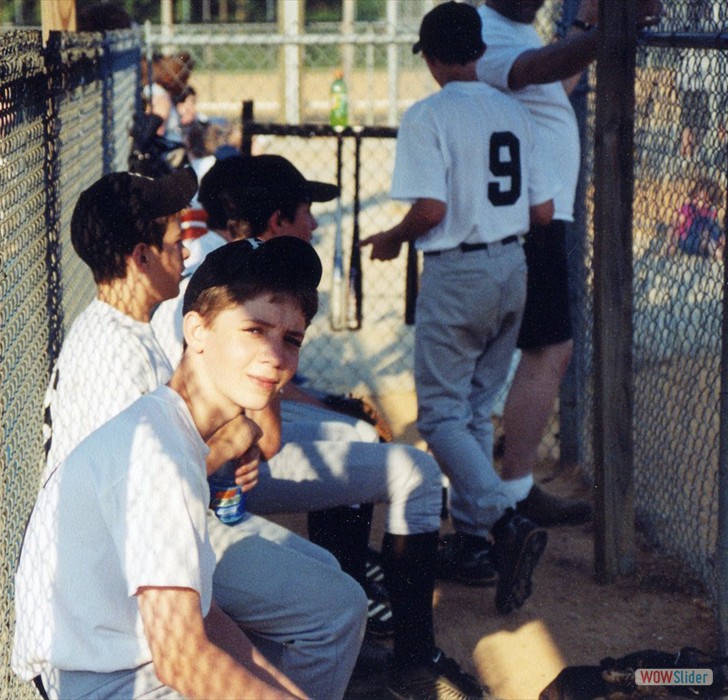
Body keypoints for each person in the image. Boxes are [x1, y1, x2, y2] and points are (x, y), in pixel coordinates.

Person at [153, 153, 487, 698]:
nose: (314, 224)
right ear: (278, 221)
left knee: (353, 434)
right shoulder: (237, 278)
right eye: (305, 211)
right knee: (415, 472)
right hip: (204, 489)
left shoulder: (215, 265)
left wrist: (326, 403)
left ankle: (353, 623)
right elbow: (270, 436)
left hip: (201, 474)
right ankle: (409, 654)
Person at [36, 168, 367, 700]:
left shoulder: (169, 420)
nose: (277, 355)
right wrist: (235, 440)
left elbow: (206, 622)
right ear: (196, 330)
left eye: (291, 340)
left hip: (123, 646)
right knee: (331, 605)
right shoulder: (152, 440)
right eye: (254, 330)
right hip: (104, 674)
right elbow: (183, 659)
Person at [361, 1, 556, 614]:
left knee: (442, 415)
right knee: (473, 407)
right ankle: (474, 541)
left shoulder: (428, 114)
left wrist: (392, 238)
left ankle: (504, 524)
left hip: (458, 270)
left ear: (435, 56)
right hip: (512, 266)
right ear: (476, 49)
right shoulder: (512, 109)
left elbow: (432, 213)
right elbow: (542, 212)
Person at [474, 0, 662, 537]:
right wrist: (610, 26)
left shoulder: (515, 27)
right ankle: (507, 491)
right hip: (530, 217)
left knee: (535, 350)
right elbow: (534, 71)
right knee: (547, 349)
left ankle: (500, 489)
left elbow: (551, 87)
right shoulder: (484, 29)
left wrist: (587, 25)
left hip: (541, 214)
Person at [665, 176, 725, 260]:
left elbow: (712, 226)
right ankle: (719, 254)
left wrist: (719, 236)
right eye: (696, 197)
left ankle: (719, 248)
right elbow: (676, 223)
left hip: (705, 236)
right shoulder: (688, 208)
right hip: (688, 238)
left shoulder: (709, 211)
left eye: (704, 201)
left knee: (716, 234)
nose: (697, 201)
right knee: (708, 242)